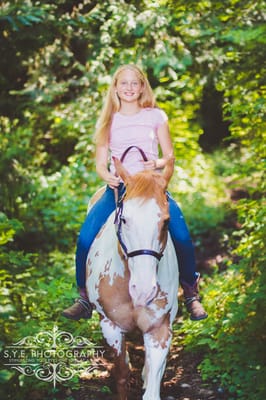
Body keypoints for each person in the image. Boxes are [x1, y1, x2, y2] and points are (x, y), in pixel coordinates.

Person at [62, 64, 208, 321]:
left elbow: (169, 154)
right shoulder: (108, 119)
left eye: (134, 83)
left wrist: (158, 164)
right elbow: (99, 161)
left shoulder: (156, 116)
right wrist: (105, 175)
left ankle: (190, 293)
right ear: (115, 88)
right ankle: (84, 297)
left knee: (182, 237)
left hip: (150, 187)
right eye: (124, 83)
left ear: (142, 87)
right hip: (119, 188)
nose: (129, 88)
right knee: (85, 238)